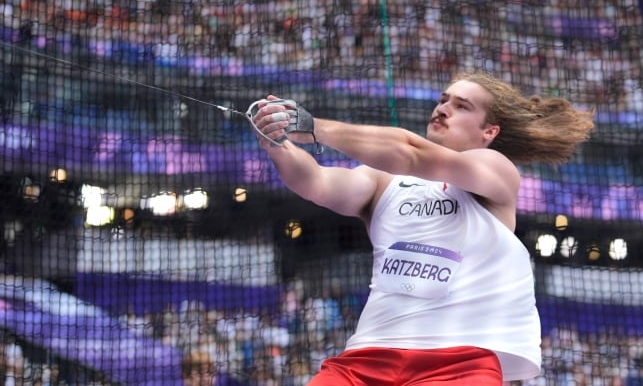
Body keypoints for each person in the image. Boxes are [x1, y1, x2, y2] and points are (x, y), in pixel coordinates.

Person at [250, 71, 594, 385]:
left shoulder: (495, 170)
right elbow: (317, 183)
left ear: (489, 132)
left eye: (461, 106)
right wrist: (277, 143)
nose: (443, 108)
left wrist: (313, 126)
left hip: (459, 364)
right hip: (366, 358)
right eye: (443, 99)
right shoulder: (384, 181)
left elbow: (410, 151)